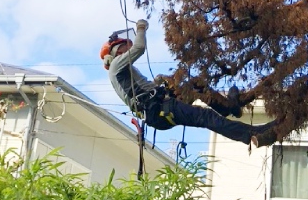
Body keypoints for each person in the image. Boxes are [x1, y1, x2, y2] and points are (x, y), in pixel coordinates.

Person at [101, 19, 278, 147]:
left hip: (160, 106)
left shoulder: (125, 71)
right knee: (205, 116)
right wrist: (141, 28)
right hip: (160, 109)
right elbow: (139, 48)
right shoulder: (116, 65)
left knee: (195, 84)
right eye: (124, 45)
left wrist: (158, 82)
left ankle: (228, 107)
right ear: (116, 51)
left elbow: (142, 90)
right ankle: (252, 134)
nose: (129, 47)